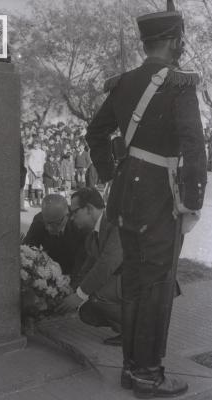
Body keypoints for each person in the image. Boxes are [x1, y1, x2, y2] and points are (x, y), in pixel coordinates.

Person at [86, 1, 207, 397]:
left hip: (127, 196)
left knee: (135, 284)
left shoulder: (122, 83)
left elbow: (96, 133)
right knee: (156, 287)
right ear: (173, 41)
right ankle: (148, 375)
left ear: (145, 43)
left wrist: (109, 173)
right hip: (161, 197)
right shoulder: (179, 83)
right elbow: (193, 146)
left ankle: (130, 369)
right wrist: (192, 203)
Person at [56, 188, 123, 345]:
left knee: (92, 297)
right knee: (86, 310)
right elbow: (88, 266)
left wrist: (79, 295)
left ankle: (135, 331)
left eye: (74, 212)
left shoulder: (115, 223)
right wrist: (71, 290)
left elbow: (106, 264)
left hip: (145, 285)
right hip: (124, 282)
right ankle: (127, 328)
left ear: (89, 209)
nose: (71, 218)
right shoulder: (95, 232)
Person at [22, 194, 86, 277]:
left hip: (73, 270)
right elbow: (28, 250)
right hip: (50, 271)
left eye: (54, 224)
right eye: (46, 223)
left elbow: (83, 262)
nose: (48, 228)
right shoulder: (39, 221)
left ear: (66, 216)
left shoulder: (78, 225)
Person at [27, 141, 46, 207]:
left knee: (39, 187)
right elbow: (30, 163)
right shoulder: (31, 151)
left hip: (40, 171)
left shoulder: (42, 152)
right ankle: (33, 202)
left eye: (37, 144)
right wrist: (34, 172)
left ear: (39, 144)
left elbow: (43, 162)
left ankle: (38, 202)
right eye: (34, 144)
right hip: (33, 172)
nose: (36, 145)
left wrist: (42, 171)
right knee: (33, 187)